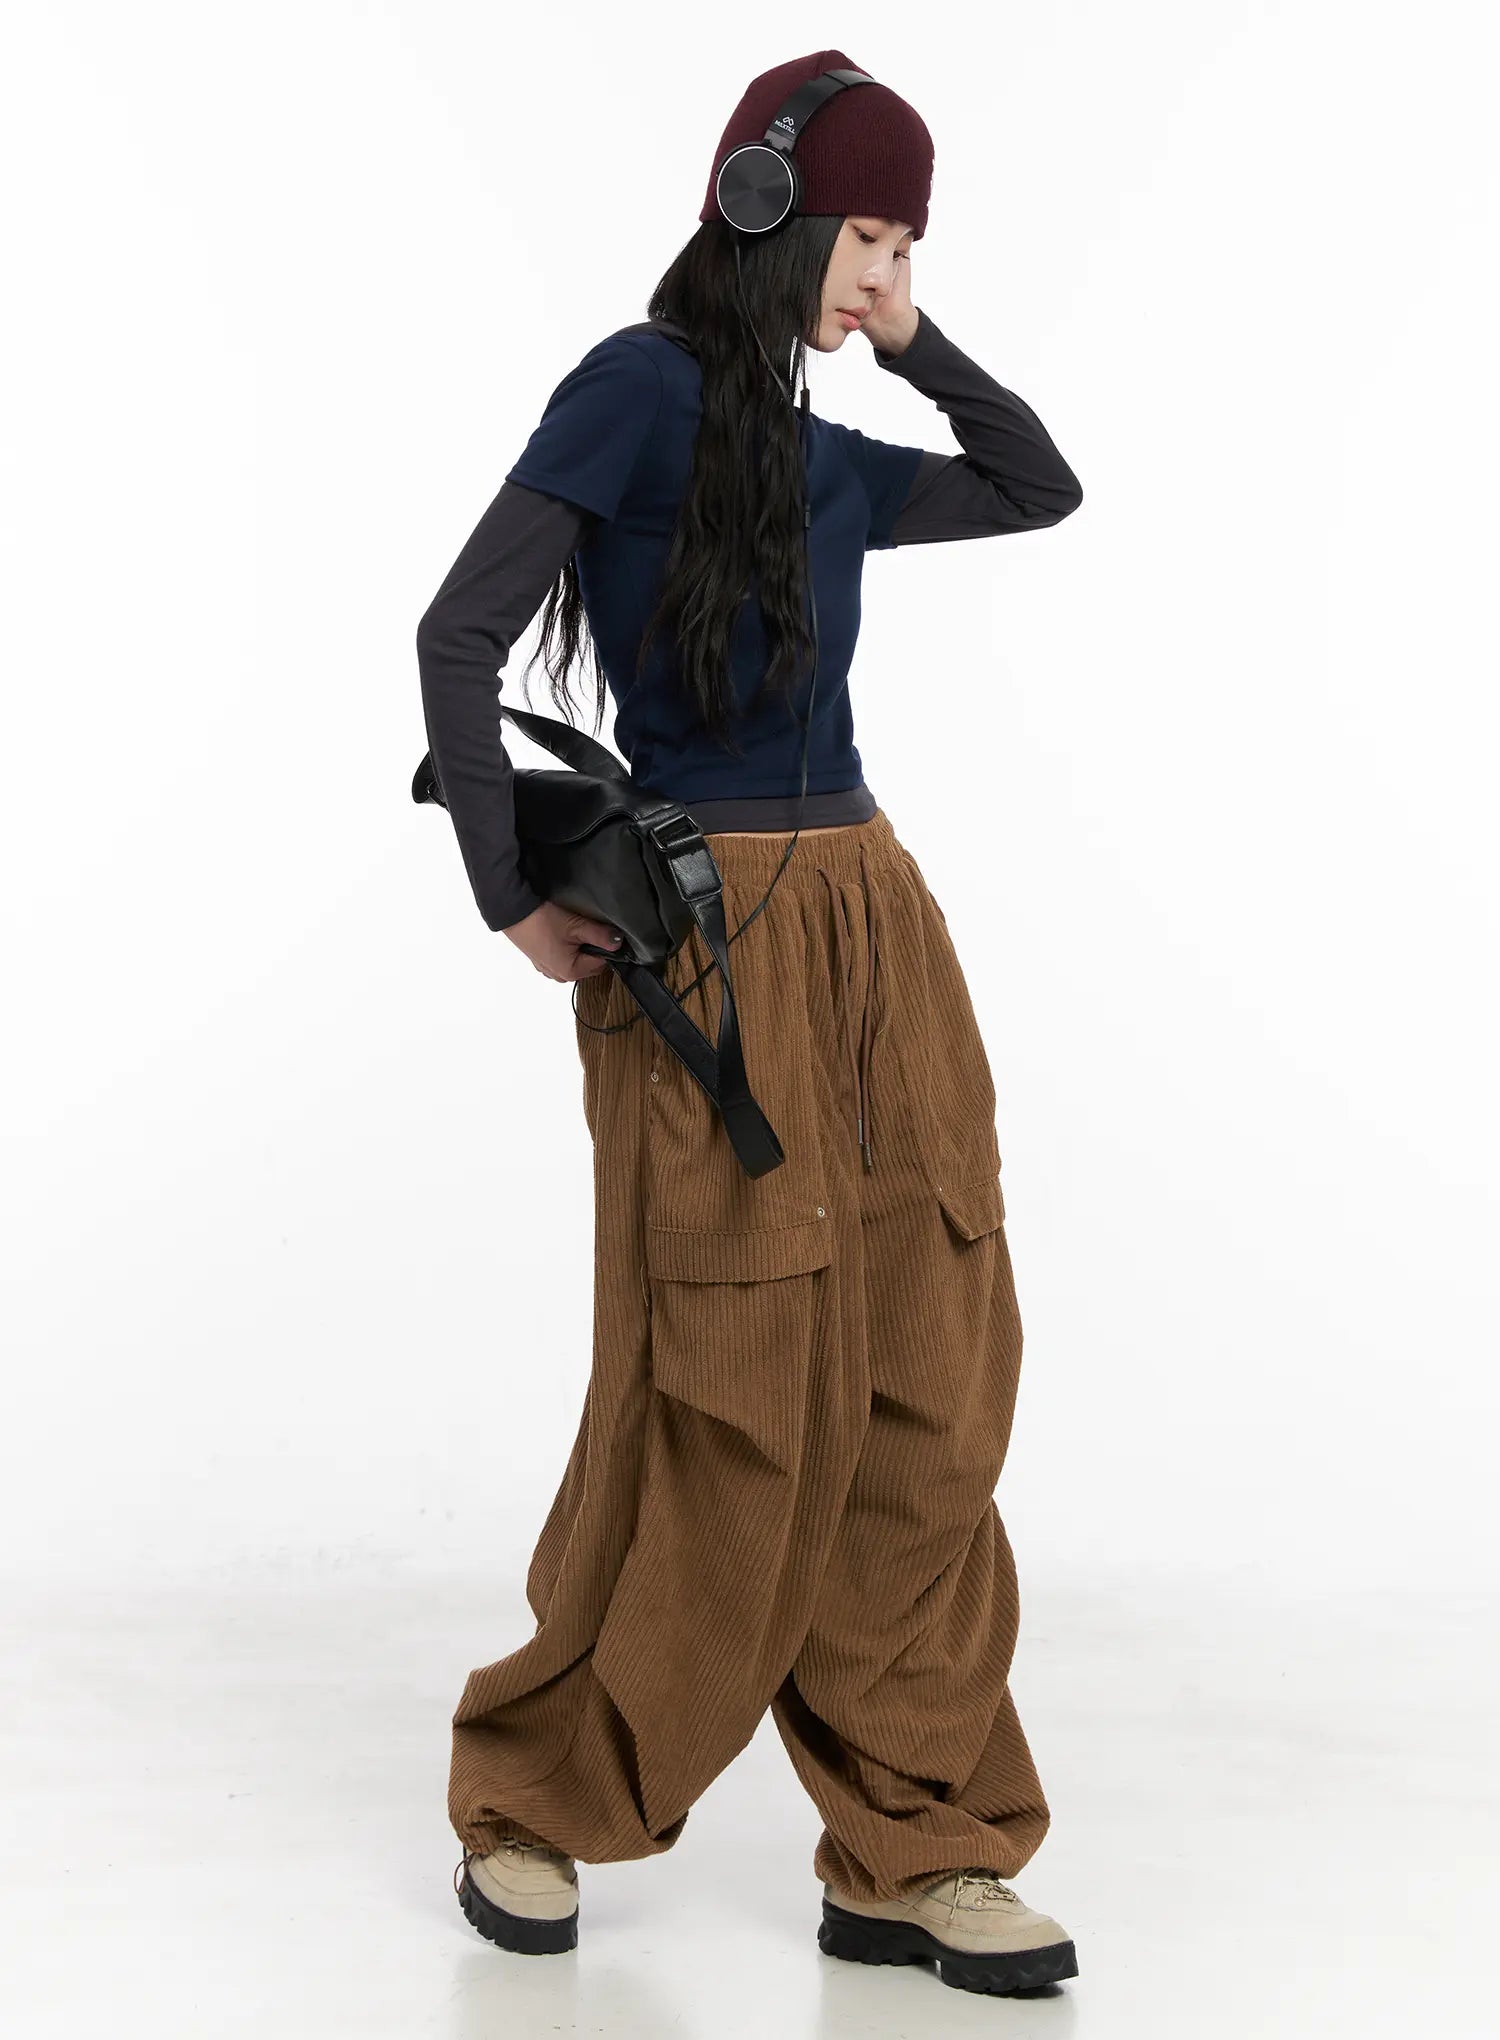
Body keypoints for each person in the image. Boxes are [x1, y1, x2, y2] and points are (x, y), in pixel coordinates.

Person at [414, 49, 1083, 2001]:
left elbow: (1037, 484)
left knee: (932, 1375)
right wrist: (507, 887)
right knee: (722, 1388)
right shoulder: (634, 394)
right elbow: (460, 632)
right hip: (707, 939)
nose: (884, 274)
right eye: (870, 234)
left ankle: (920, 1843)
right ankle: (540, 1799)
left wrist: (914, 333)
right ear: (767, 206)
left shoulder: (831, 457)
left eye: (908, 246)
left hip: (877, 923)